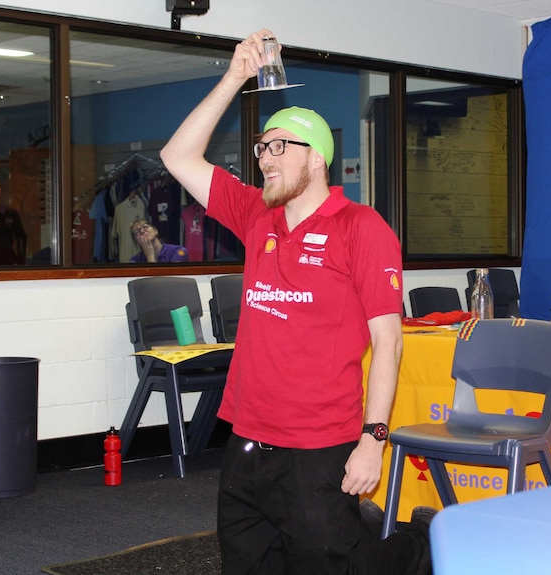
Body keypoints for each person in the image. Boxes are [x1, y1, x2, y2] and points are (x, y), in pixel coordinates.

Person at [161, 29, 432, 575]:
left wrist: (373, 441)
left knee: (335, 566)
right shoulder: (255, 214)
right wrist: (235, 76)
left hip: (319, 443)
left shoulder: (361, 228)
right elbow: (177, 155)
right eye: (262, 147)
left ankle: (421, 547)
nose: (265, 158)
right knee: (248, 564)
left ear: (317, 159)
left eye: (280, 146)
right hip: (246, 437)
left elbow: (388, 340)